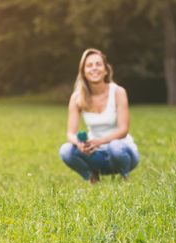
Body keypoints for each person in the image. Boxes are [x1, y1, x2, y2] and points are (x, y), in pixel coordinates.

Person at [59, 48, 139, 184]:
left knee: (115, 147)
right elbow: (70, 133)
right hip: (96, 155)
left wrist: (99, 141)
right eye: (89, 65)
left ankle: (125, 178)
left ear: (106, 70)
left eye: (98, 64)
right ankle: (92, 178)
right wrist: (79, 144)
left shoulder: (118, 92)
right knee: (66, 150)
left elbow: (123, 130)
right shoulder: (77, 97)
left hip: (123, 153)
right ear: (83, 72)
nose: (94, 68)